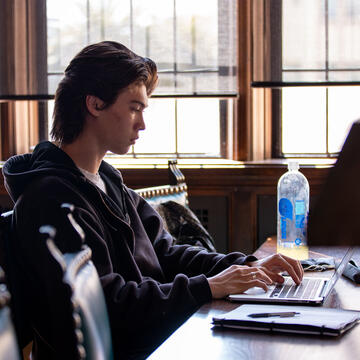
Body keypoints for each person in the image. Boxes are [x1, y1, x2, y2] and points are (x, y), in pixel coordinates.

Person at [2, 41, 303, 359]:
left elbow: (167, 254)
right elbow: (107, 304)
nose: (142, 124)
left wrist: (247, 267)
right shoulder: (50, 199)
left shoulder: (107, 182)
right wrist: (209, 286)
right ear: (95, 104)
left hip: (155, 342)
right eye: (134, 108)